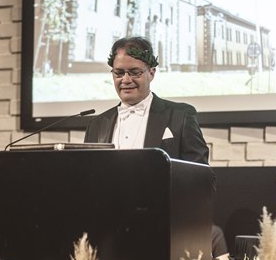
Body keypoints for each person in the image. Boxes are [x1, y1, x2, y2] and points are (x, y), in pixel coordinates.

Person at [83, 36, 210, 165]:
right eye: (119, 73)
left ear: (151, 73)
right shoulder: (96, 125)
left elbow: (201, 172)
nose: (126, 80)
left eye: (134, 72)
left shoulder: (181, 116)